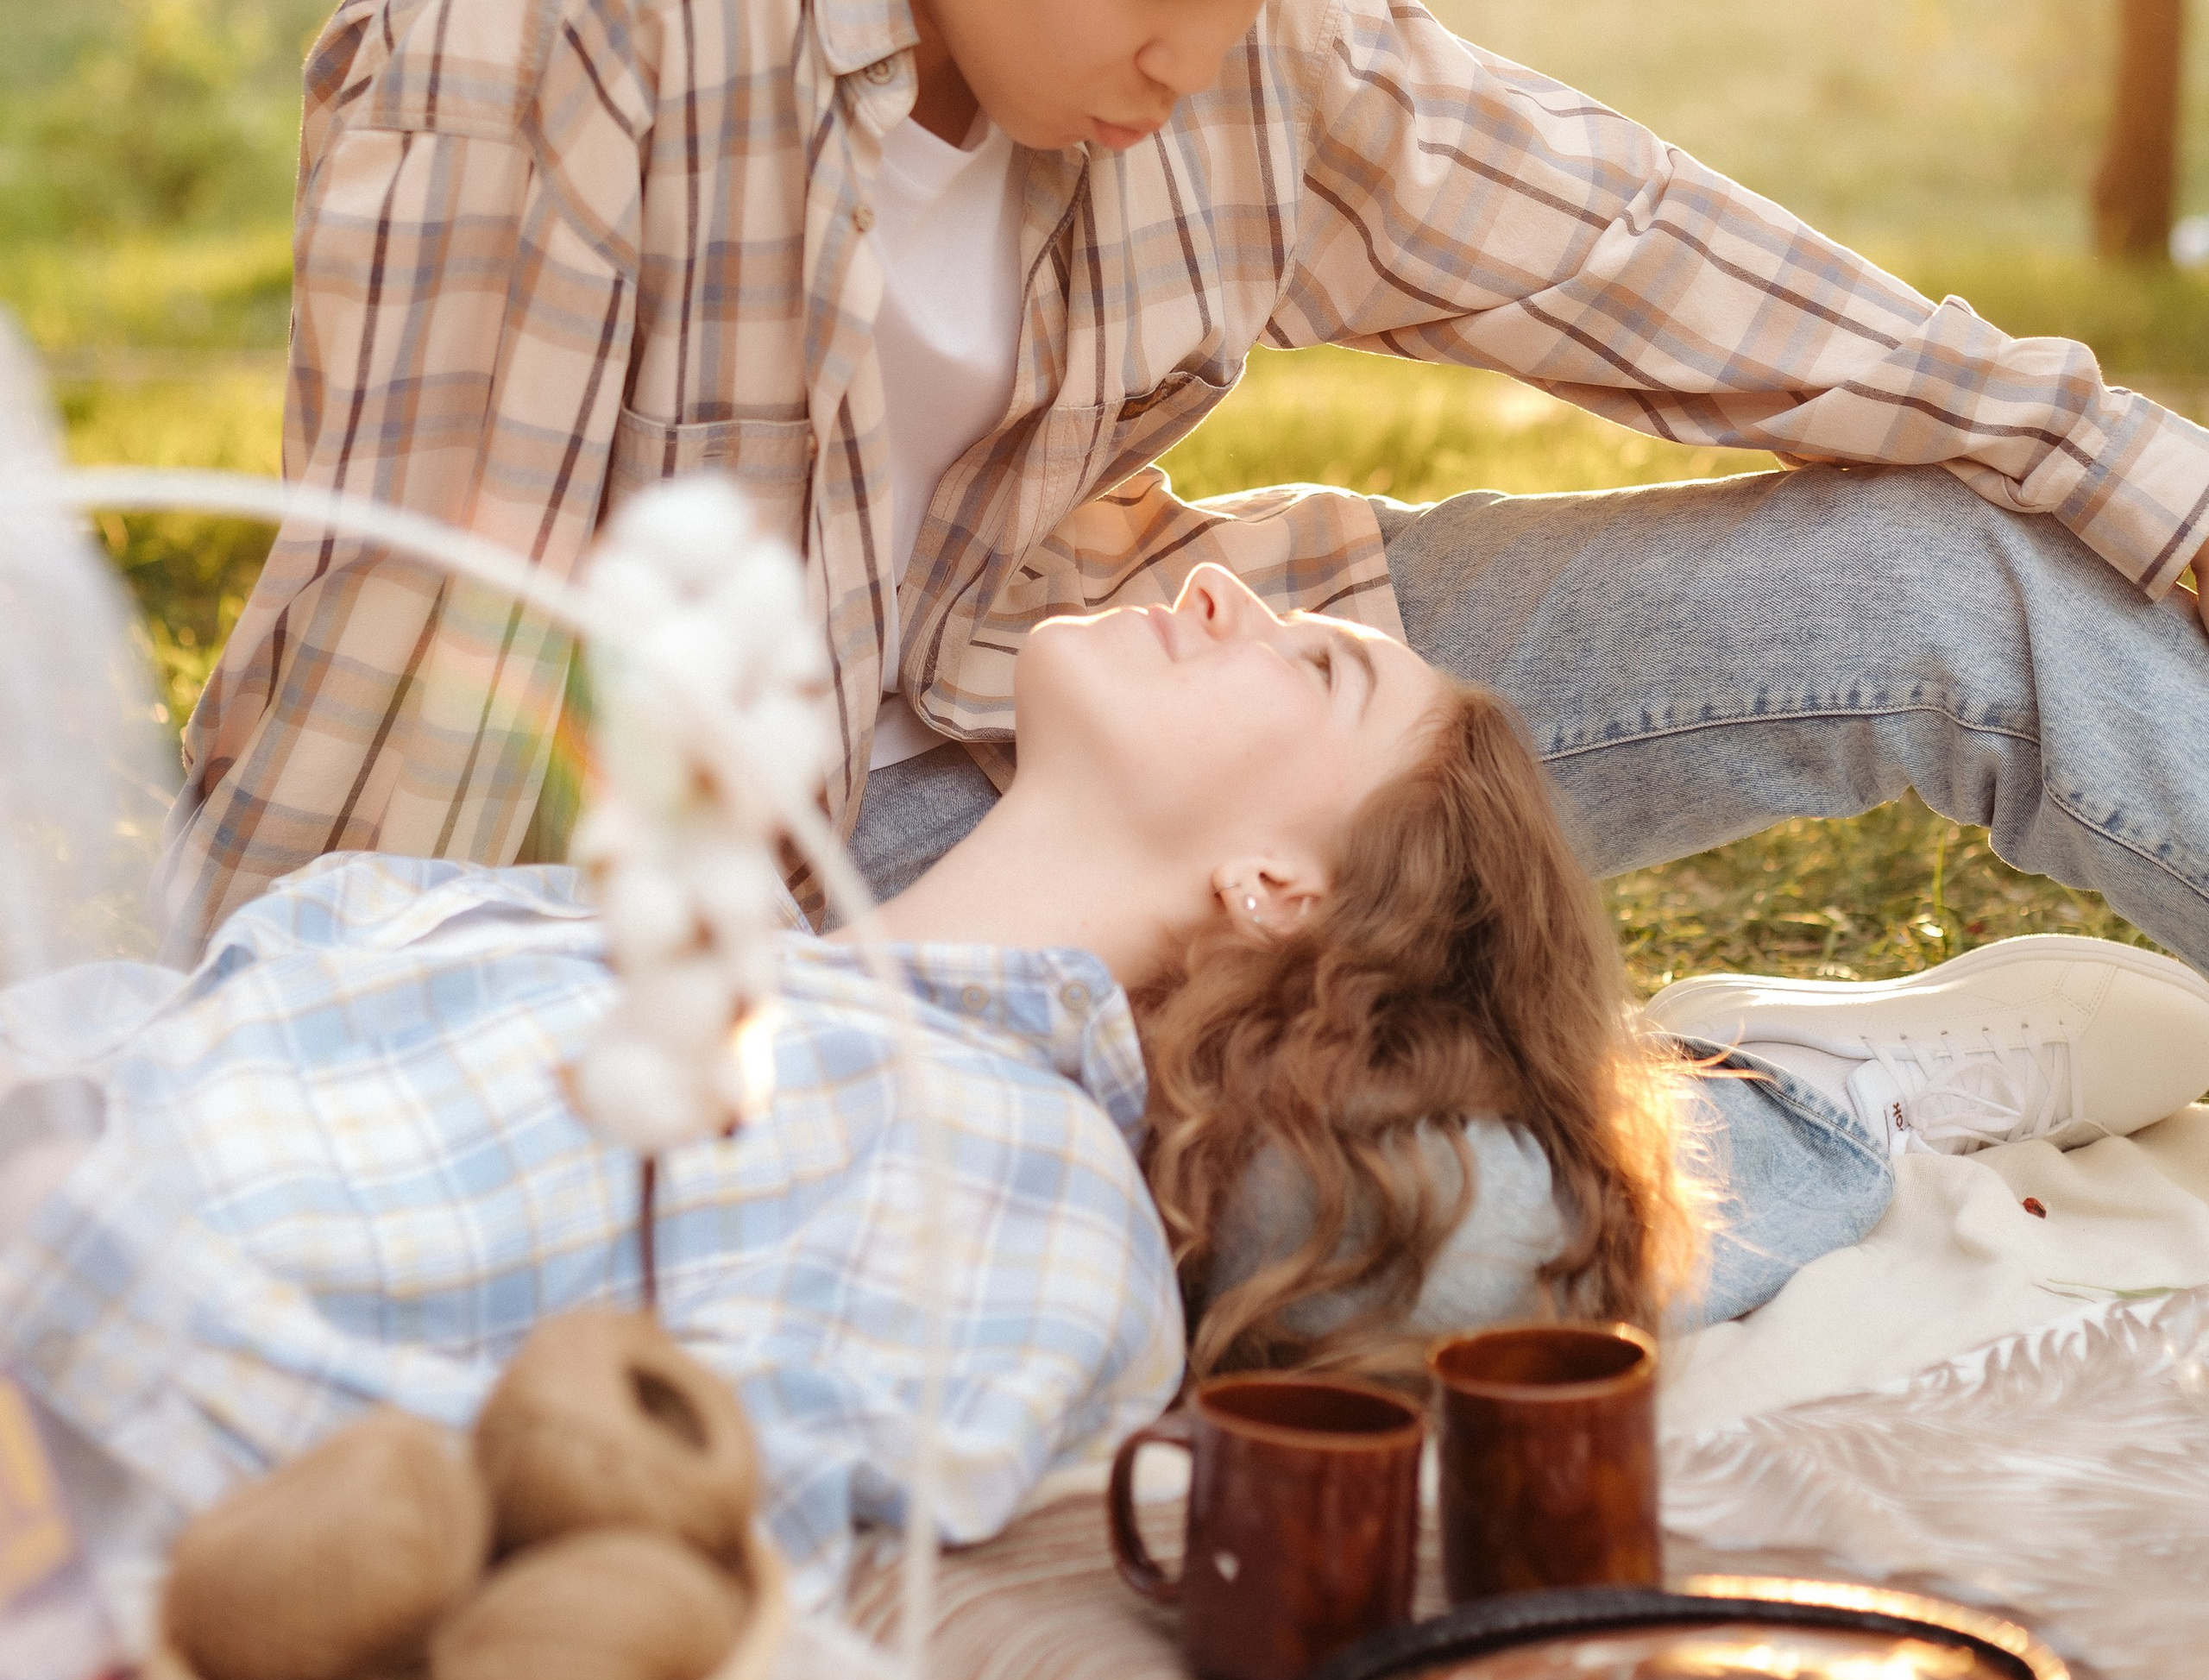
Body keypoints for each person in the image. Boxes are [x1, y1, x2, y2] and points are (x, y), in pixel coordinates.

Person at [162, 0, 2209, 966]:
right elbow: (406, 692)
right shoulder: (586, 4)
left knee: (1960, 585)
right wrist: (280, 1145)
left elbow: (1628, 248)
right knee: (1365, 1226)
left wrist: (2136, 476)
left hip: (1157, 725)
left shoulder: (1244, 23)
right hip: (708, 927)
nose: (1207, 56)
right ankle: (1794, 1141)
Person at [16, 576, 2209, 1606]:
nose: (1224, 577)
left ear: (1280, 879)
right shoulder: (571, 924)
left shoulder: (1019, 1214)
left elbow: (625, 1577)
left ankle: (1815, 1119)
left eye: (1318, 661)